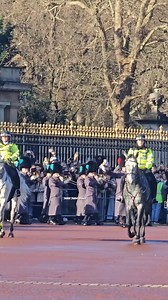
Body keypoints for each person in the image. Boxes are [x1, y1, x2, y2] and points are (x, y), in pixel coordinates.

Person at [127, 134, 157, 225]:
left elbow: (150, 160)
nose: (140, 142)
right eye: (139, 140)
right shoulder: (132, 150)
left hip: (144, 170)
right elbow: (129, 159)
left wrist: (146, 167)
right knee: (124, 179)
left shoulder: (148, 150)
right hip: (134, 170)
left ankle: (152, 197)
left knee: (153, 180)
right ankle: (122, 196)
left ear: (144, 141)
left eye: (142, 140)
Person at [0, 130, 20, 197]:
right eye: (3, 137)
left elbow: (16, 153)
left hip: (8, 163)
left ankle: (17, 189)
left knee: (14, 174)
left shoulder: (12, 146)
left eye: (6, 137)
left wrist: (11, 158)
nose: (5, 138)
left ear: (9, 138)